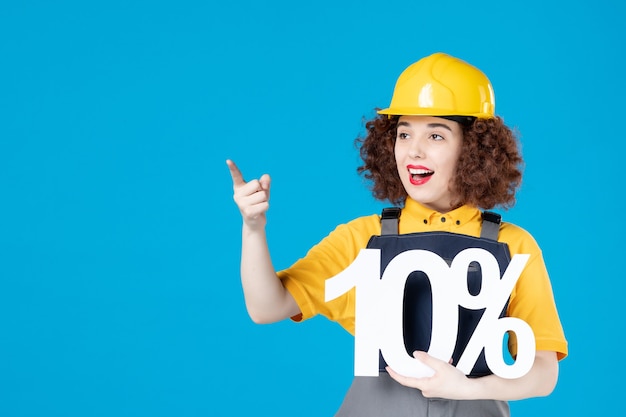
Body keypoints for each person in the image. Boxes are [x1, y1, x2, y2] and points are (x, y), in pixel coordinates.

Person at [226, 52, 567, 416]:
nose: (413, 151)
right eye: (404, 133)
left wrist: (466, 387)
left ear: (473, 149)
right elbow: (266, 308)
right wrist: (253, 228)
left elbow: (544, 373)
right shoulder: (361, 238)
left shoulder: (513, 246)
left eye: (436, 134)